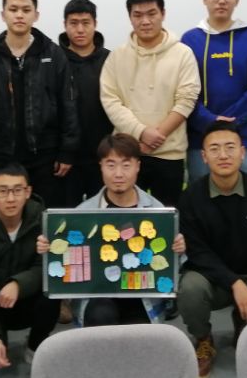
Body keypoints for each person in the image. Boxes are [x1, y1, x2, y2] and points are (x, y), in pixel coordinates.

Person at [177, 121, 247, 378]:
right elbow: (198, 253)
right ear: (204, 156)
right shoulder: (191, 197)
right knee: (190, 289)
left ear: (242, 152)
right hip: (212, 280)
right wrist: (234, 283)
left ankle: (245, 321)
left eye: (230, 147)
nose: (223, 155)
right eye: (214, 149)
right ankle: (203, 340)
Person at [36, 134, 186, 326]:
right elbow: (64, 265)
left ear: (138, 166)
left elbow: (170, 267)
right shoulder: (83, 214)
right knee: (101, 315)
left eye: (126, 165)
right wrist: (49, 250)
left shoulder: (158, 213)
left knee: (139, 334)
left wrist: (178, 251)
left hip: (142, 299)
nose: (118, 174)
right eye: (111, 165)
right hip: (98, 298)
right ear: (101, 166)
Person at [0, 0, 79, 209]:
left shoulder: (53, 54)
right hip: (0, 157)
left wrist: (67, 151)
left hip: (46, 158)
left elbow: (68, 104)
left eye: (26, 10)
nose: (19, 15)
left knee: (45, 217)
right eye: (13, 9)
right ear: (3, 14)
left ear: (36, 15)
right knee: (6, 216)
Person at [100, 0, 200, 206]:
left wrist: (156, 136)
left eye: (151, 13)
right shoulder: (117, 57)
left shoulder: (183, 54)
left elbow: (187, 99)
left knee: (165, 218)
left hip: (169, 155)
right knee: (124, 221)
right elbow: (110, 100)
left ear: (163, 14)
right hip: (127, 155)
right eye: (137, 15)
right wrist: (141, 133)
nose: (145, 21)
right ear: (130, 17)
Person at [0, 164, 60, 368]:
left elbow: (46, 268)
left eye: (17, 190)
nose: (11, 199)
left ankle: (35, 345)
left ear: (28, 192)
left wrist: (18, 284)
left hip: (30, 300)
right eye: (3, 191)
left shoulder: (45, 223)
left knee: (51, 295)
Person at [181, 0, 247, 179]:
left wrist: (230, 122)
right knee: (201, 196)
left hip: (242, 138)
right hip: (200, 138)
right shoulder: (190, 40)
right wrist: (209, 120)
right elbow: (183, 90)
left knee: (245, 195)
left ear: (237, 0)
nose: (222, 0)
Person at [59, 0, 113, 206]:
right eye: (73, 23)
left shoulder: (110, 60)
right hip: (65, 160)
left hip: (103, 155)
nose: (80, 29)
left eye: (86, 23)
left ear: (95, 24)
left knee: (102, 216)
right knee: (66, 216)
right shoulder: (55, 60)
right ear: (65, 25)